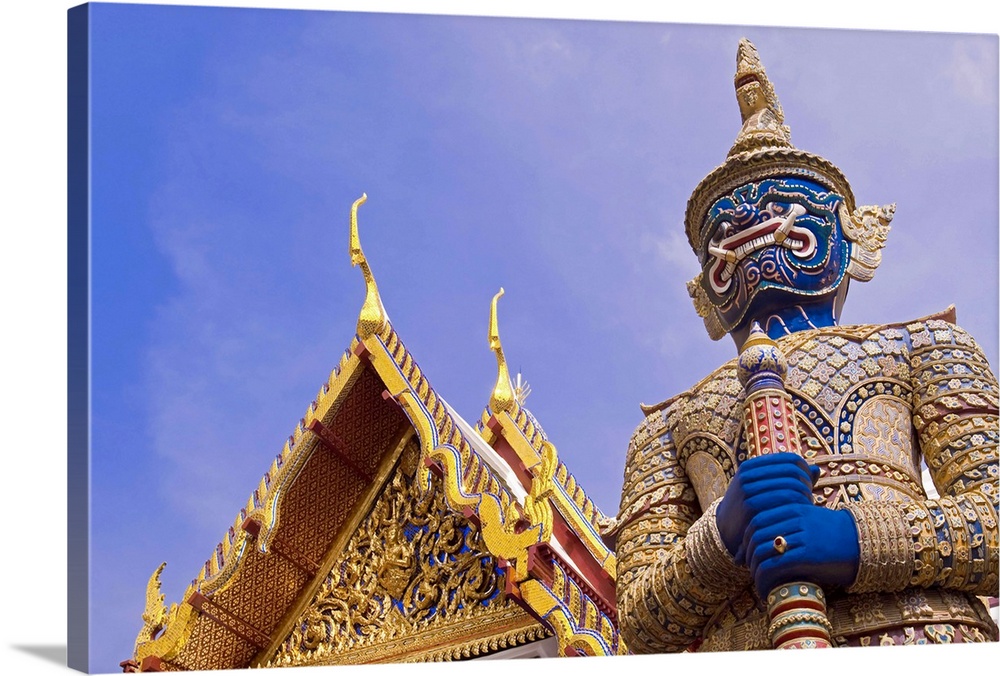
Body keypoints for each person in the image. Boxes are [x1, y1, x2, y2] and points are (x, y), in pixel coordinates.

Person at [614, 38, 999, 651]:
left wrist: (849, 539)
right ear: (703, 293)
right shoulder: (665, 429)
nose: (755, 227)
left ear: (853, 240)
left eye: (782, 207)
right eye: (731, 223)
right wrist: (724, 533)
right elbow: (636, 622)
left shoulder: (923, 346)